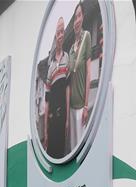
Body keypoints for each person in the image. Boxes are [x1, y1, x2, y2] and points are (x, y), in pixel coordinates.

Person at [43, 17, 70, 158]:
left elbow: (67, 89)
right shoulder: (51, 67)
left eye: (62, 32)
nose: (60, 35)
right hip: (52, 119)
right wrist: (45, 131)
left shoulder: (67, 58)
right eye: (58, 32)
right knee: (52, 154)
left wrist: (68, 119)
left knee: (62, 153)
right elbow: (46, 101)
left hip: (63, 115)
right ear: (55, 36)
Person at [69, 1, 93, 153]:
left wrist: (86, 106)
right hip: (71, 107)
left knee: (81, 150)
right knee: (72, 149)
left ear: (83, 17)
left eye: (79, 16)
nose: (77, 20)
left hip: (80, 108)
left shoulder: (87, 37)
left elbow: (89, 73)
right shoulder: (71, 48)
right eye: (75, 17)